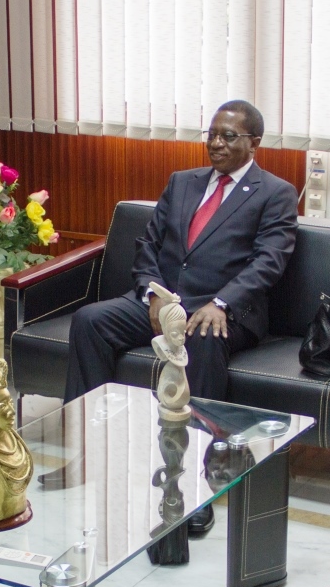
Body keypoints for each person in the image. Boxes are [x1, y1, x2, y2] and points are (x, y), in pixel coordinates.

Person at [60, 99, 298, 534]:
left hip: (223, 309)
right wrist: (152, 293)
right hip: (164, 302)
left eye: (229, 136)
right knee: (91, 321)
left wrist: (221, 303)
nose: (216, 143)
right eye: (212, 134)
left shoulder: (275, 192)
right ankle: (87, 451)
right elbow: (148, 244)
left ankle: (193, 482)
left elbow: (269, 261)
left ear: (255, 143)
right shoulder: (182, 182)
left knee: (203, 338)